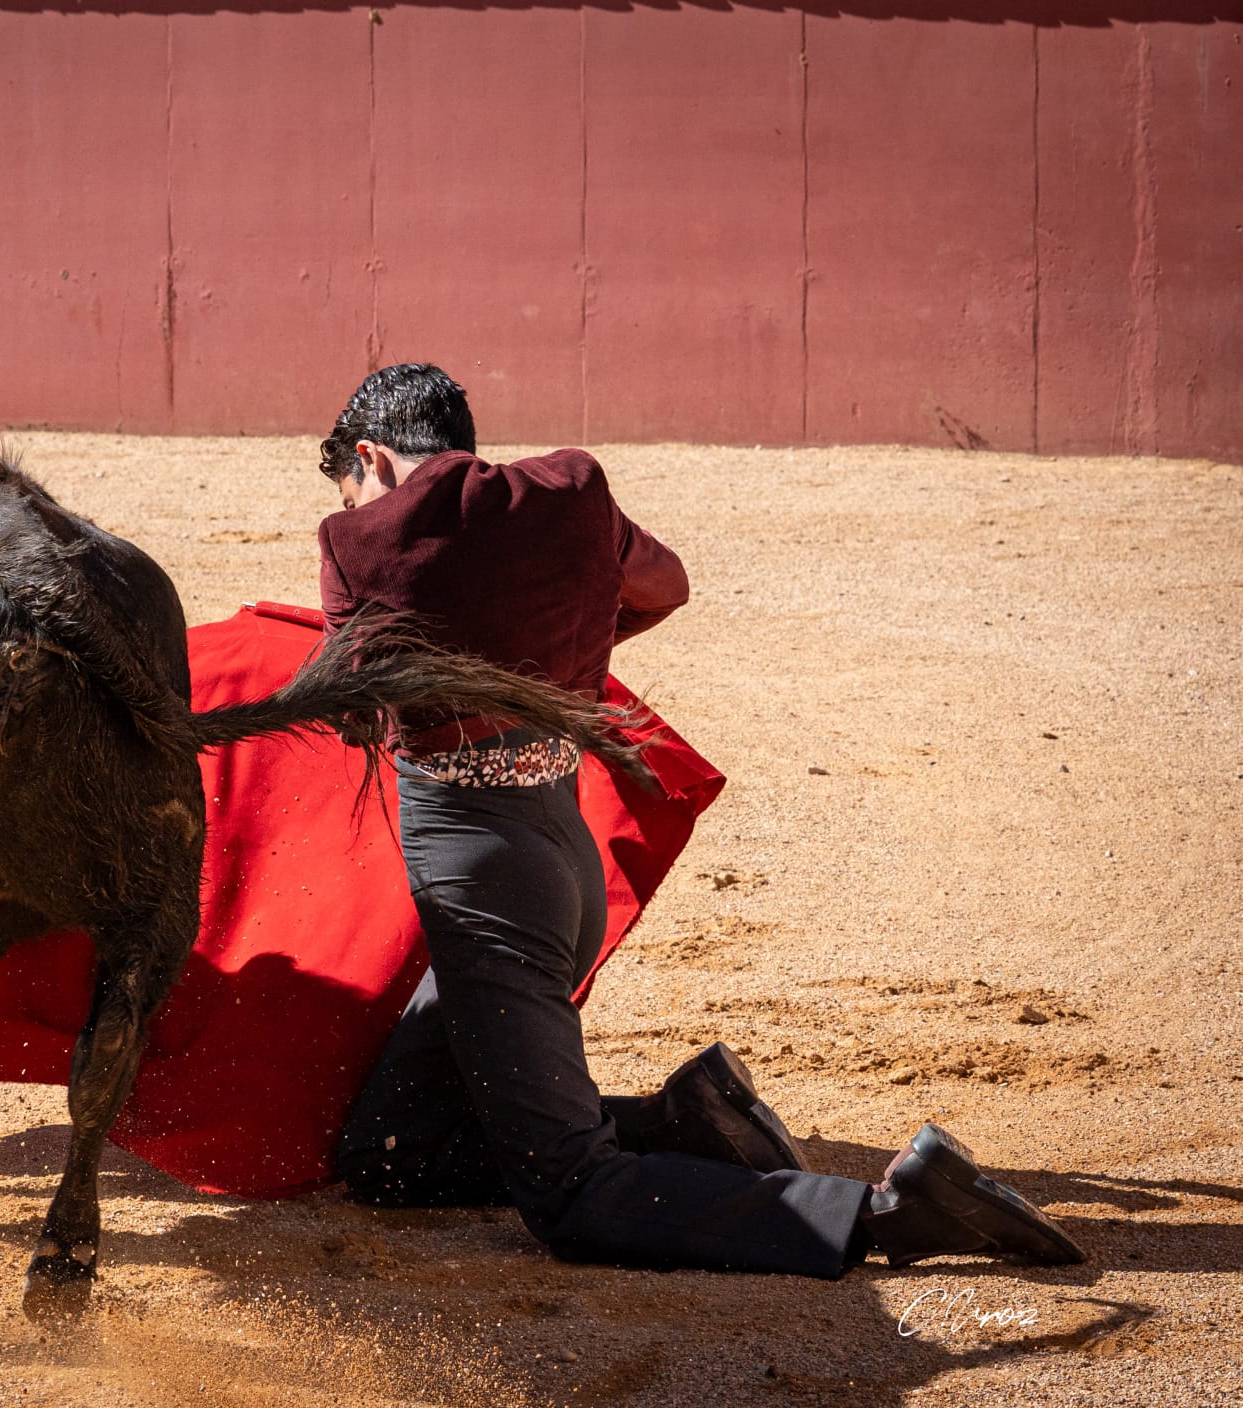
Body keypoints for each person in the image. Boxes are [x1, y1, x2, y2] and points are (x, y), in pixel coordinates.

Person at [316, 363, 1083, 1276]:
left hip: (484, 882)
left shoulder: (356, 539)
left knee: (570, 1196)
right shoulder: (570, 490)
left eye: (352, 483)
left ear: (370, 456)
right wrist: (558, 653)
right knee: (388, 1153)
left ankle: (890, 1215)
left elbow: (353, 710)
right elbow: (663, 587)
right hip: (562, 855)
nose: (355, 502)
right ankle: (687, 1121)